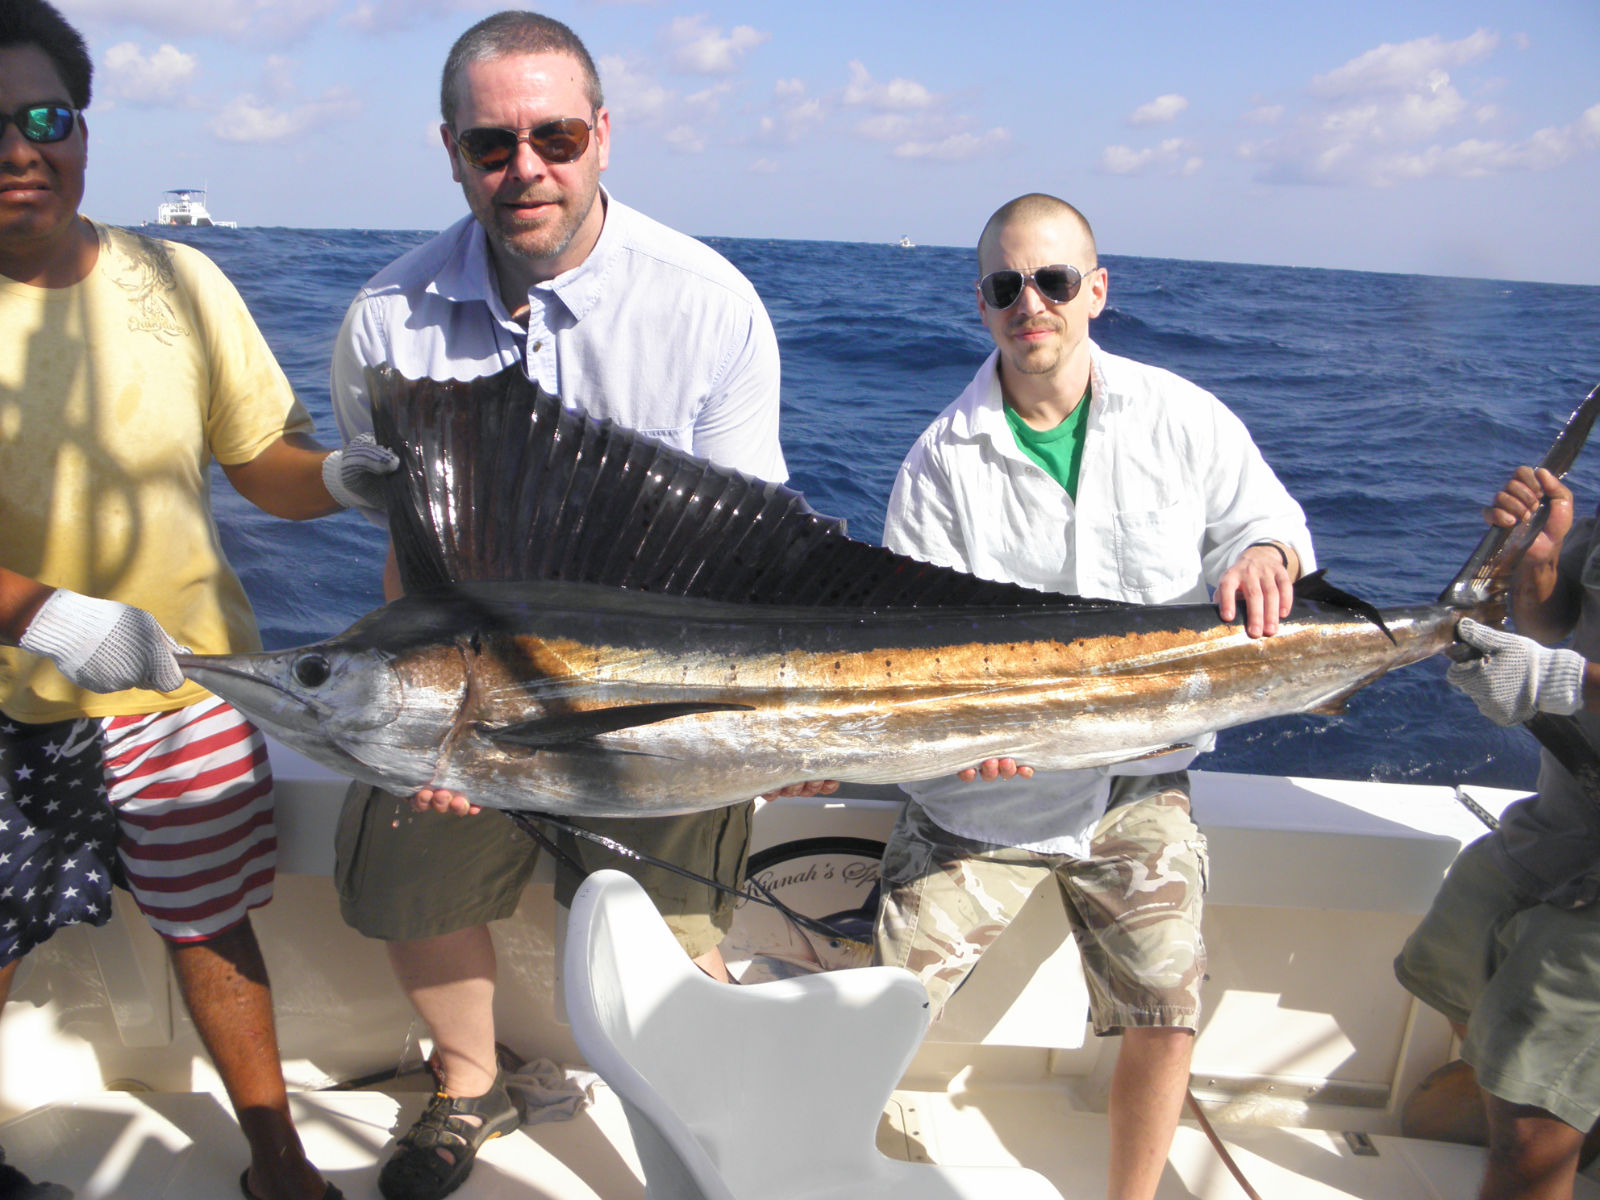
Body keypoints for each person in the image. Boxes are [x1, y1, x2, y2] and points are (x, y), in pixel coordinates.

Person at [326, 12, 805, 1199]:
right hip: (468, 686)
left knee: (673, 948)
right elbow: (407, 557)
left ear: (602, 134)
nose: (525, 168)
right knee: (399, 878)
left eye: (554, 137)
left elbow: (750, 561)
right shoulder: (386, 317)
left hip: (658, 692)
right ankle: (466, 1081)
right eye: (492, 145)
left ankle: (707, 1113)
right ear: (451, 151)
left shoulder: (709, 303)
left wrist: (772, 731)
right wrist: (433, 730)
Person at [0, 4, 396, 1197]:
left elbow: (260, 462)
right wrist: (41, 615)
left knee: (212, 923)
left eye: (43, 117)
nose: (19, 149)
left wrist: (342, 479)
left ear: (82, 128)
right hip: (10, 706)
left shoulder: (181, 279)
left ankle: (278, 1161)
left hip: (185, 686)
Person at [873, 192, 1315, 1200]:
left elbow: (1269, 520)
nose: (1030, 303)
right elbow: (913, 646)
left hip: (1137, 781)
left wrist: (1264, 552)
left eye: (1053, 280)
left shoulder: (1181, 415)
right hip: (983, 796)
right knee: (880, 1005)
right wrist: (961, 744)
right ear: (981, 305)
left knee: (1167, 1011)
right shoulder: (938, 463)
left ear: (1096, 290)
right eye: (1005, 286)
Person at [1397, 463, 1600, 1200]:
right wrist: (1538, 567)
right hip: (1570, 814)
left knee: (1529, 1120)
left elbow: (1560, 669)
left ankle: (1539, 1129)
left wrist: (1558, 681)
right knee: (1459, 944)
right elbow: (1557, 628)